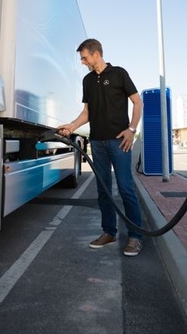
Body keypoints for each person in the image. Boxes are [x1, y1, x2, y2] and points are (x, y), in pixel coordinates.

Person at [58, 38, 144, 257]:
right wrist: (72, 125)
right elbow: (87, 113)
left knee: (125, 188)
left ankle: (135, 237)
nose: (83, 62)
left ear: (96, 54)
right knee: (103, 190)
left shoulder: (119, 74)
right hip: (97, 143)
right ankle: (109, 232)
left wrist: (131, 129)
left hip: (119, 141)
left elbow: (137, 102)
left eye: (84, 57)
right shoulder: (87, 80)